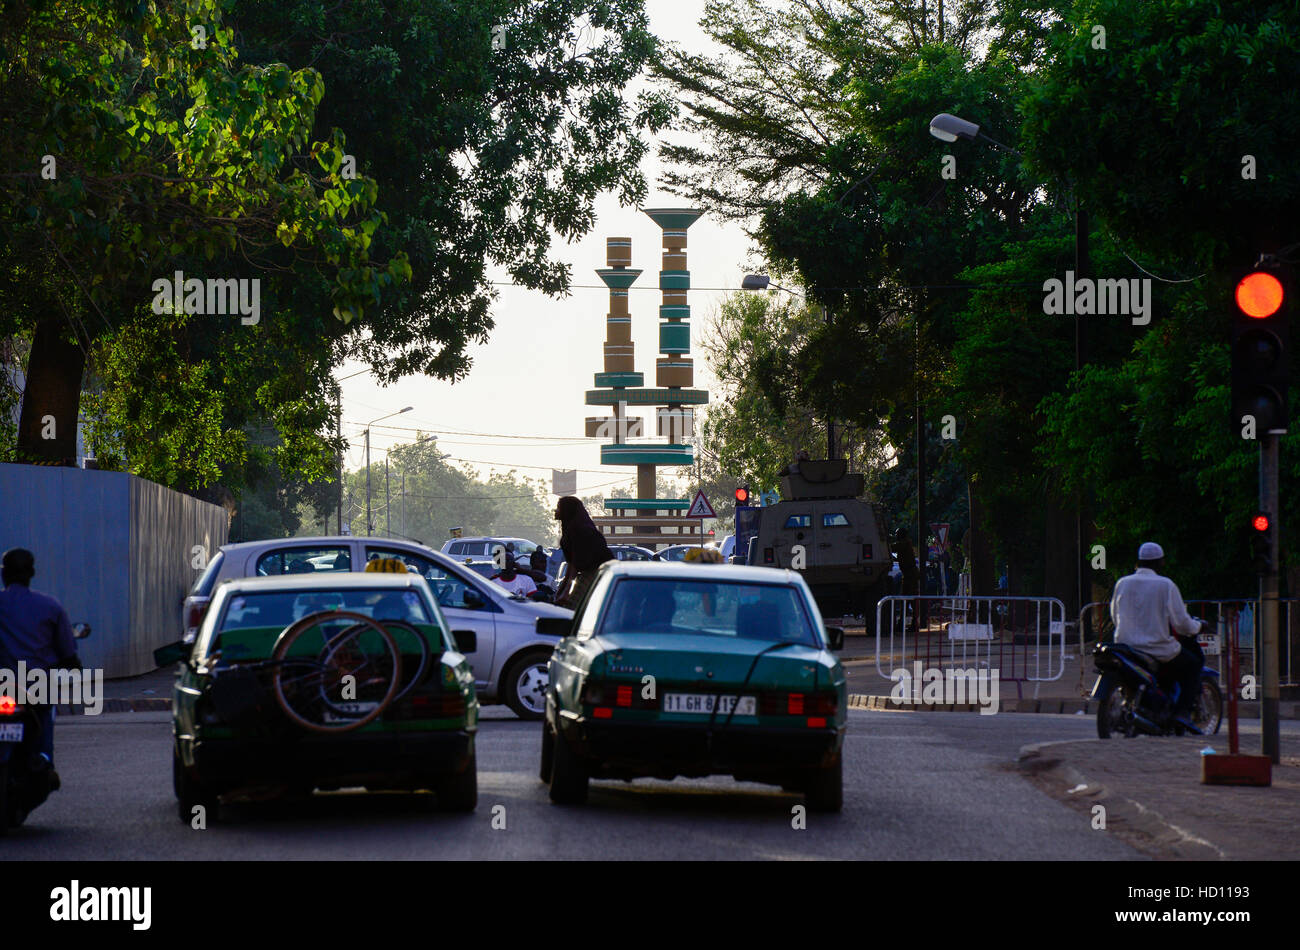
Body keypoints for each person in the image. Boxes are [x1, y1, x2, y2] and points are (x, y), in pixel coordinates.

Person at [1111, 542, 1206, 729]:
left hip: (1126, 647)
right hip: (1157, 649)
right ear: (1160, 563)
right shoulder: (1166, 585)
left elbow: (1115, 615)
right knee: (1193, 665)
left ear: (1138, 562)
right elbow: (1181, 622)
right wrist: (1198, 627)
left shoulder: (1122, 583)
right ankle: (1182, 713)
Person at [0, 548, 79, 767]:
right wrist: (73, 666)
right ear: (31, 573)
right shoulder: (50, 606)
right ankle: (43, 758)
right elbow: (68, 651)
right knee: (45, 719)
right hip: (37, 686)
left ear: (4, 573)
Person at [553, 496, 614, 607]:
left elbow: (576, 563)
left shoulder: (580, 530)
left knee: (574, 604)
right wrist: (560, 591)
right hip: (588, 572)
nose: (555, 511)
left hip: (598, 572)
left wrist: (566, 593)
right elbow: (571, 564)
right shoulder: (570, 529)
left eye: (558, 507)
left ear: (567, 510)